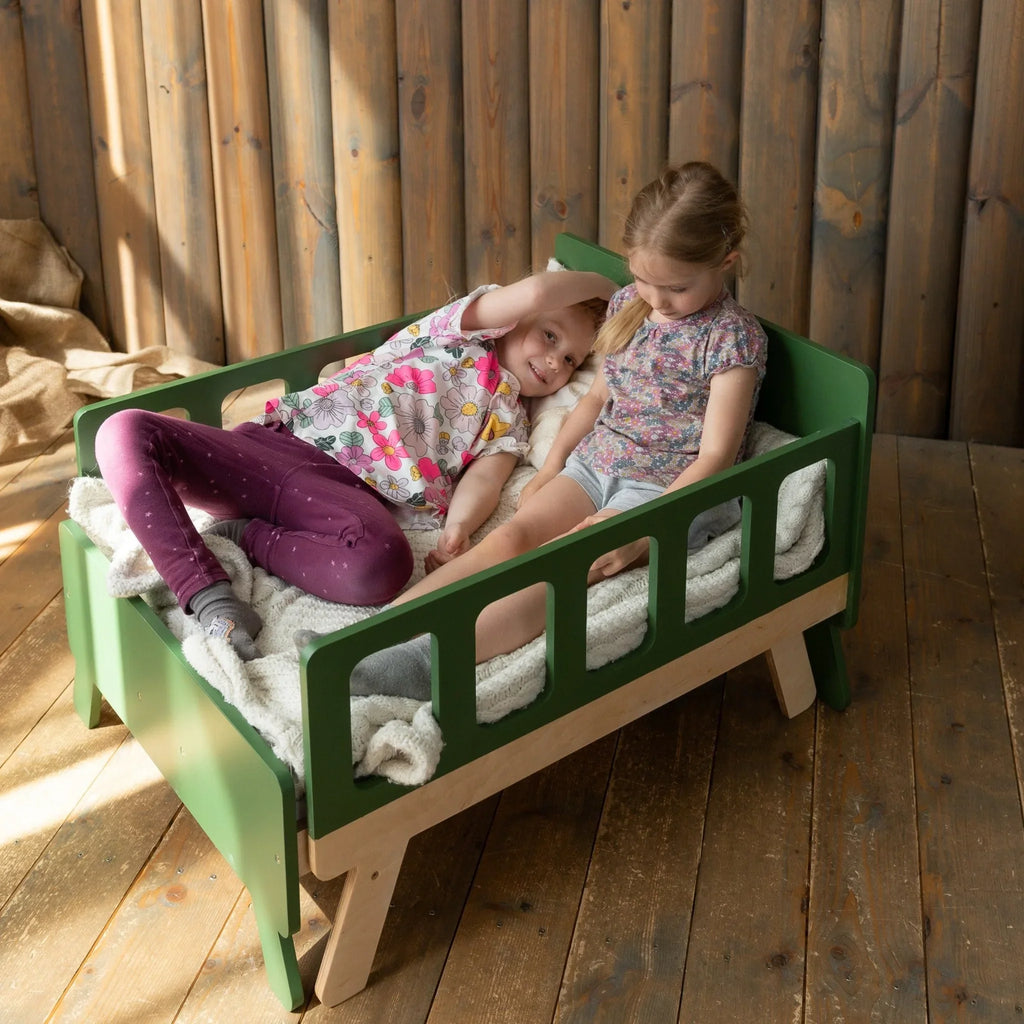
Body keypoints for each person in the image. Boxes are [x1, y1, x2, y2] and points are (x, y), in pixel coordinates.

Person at [343, 161, 768, 699]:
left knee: (564, 562)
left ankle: (426, 661)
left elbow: (715, 457)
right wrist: (550, 469)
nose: (657, 300)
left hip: (667, 491)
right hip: (598, 464)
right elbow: (595, 400)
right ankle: (368, 640)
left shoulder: (731, 338)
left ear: (725, 262)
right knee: (512, 537)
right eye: (643, 279)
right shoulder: (630, 307)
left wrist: (646, 530)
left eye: (676, 287)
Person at [94, 269, 615, 660]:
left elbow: (486, 478)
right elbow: (538, 293)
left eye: (571, 360)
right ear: (515, 320)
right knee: (124, 430)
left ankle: (245, 534)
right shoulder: (458, 331)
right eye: (550, 337)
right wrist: (610, 289)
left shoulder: (512, 420)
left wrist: (457, 530)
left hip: (342, 498)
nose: (555, 362)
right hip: (277, 447)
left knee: (383, 567)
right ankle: (208, 594)